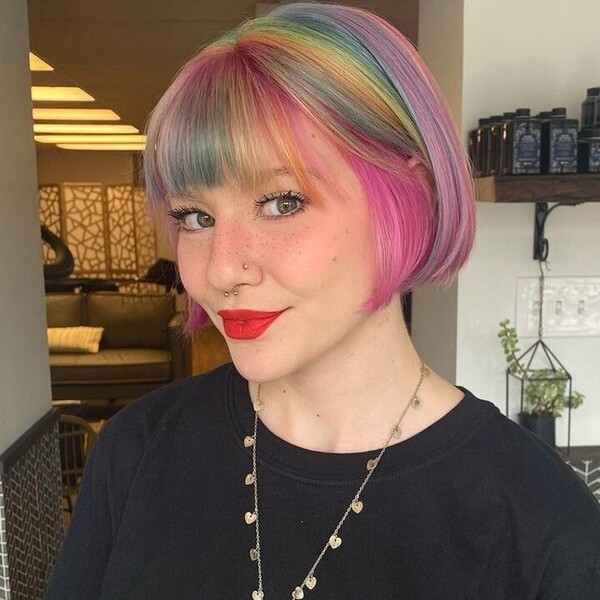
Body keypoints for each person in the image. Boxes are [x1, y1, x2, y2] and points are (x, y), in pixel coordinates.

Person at [45, 3, 600, 599]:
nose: (223, 267)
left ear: (409, 198)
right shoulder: (135, 452)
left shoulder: (543, 525)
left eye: (283, 202)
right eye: (195, 216)